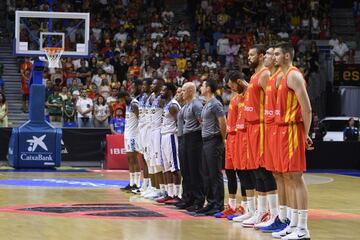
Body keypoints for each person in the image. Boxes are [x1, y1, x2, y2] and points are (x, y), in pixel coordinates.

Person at [272, 42, 313, 240]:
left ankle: (303, 228)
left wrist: (305, 133)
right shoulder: (281, 77)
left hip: (292, 131)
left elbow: (307, 108)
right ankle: (294, 224)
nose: (275, 57)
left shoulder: (294, 75)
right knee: (288, 177)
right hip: (282, 132)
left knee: (296, 177)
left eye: (278, 54)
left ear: (287, 56)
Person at [239, 44, 278, 228]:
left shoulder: (264, 75)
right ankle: (261, 212)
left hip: (261, 127)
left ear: (262, 56)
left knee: (264, 170)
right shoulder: (255, 75)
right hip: (252, 128)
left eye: (251, 54)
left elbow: (273, 100)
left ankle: (273, 213)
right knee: (256, 171)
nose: (248, 57)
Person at [214, 71, 248, 219]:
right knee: (229, 171)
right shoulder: (235, 97)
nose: (231, 89)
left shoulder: (248, 95)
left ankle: (246, 206)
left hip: (242, 137)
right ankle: (232, 205)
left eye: (231, 86)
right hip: (231, 137)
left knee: (243, 173)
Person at [197, 79, 226, 216]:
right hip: (205, 141)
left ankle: (218, 205)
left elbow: (223, 122)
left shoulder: (215, 104)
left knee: (215, 174)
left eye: (202, 85)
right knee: (206, 174)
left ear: (208, 88)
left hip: (214, 141)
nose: (200, 87)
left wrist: (222, 140)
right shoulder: (206, 104)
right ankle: (210, 202)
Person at [176, 82, 205, 212]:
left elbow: (203, 122)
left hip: (194, 138)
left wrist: (197, 136)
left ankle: (198, 200)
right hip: (184, 138)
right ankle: (187, 198)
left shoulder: (196, 104)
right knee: (186, 171)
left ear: (190, 91)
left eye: (183, 91)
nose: (181, 93)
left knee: (194, 171)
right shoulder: (185, 106)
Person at [158, 82, 182, 204]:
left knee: (175, 167)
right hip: (163, 136)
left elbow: (180, 121)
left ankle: (178, 195)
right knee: (166, 167)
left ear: (170, 91)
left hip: (171, 136)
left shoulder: (173, 105)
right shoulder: (166, 104)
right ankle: (169, 193)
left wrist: (180, 137)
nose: (161, 92)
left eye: (164, 90)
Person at [121, 91, 142, 192]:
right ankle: (131, 182)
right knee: (129, 159)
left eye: (121, 99)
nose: (121, 102)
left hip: (133, 135)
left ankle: (137, 184)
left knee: (134, 158)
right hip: (128, 134)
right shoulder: (128, 105)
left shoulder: (134, 104)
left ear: (125, 96)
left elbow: (141, 119)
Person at [136, 78, 153, 195]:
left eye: (145, 85)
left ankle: (152, 185)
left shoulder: (151, 97)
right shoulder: (142, 97)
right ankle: (146, 184)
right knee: (143, 158)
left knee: (150, 159)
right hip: (141, 129)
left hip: (149, 130)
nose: (142, 87)